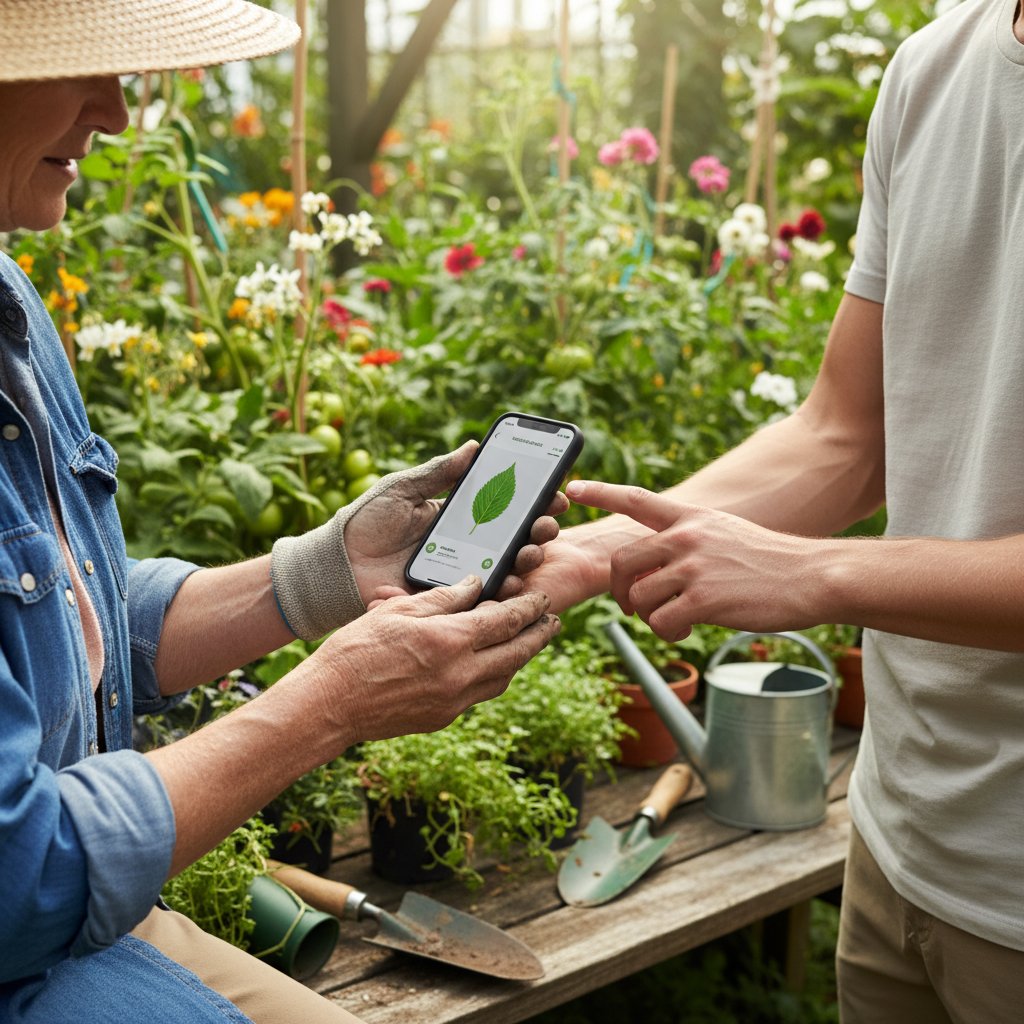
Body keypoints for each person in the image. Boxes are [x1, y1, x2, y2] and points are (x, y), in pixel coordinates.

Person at [0, 3, 564, 1022]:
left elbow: (71, 631)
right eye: (70, 67)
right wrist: (334, 702)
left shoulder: (10, 303)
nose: (117, 112)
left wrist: (323, 574)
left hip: (77, 921)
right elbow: (21, 874)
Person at [529, 1, 1024, 1020]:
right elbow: (846, 433)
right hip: (899, 845)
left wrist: (816, 574)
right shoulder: (934, 68)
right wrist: (607, 547)